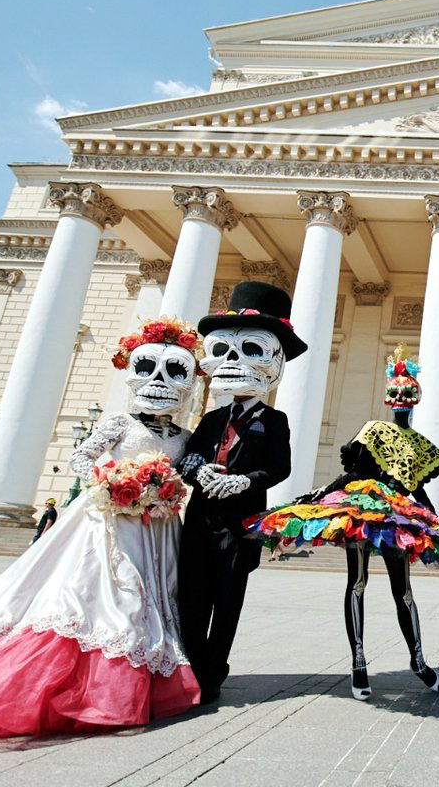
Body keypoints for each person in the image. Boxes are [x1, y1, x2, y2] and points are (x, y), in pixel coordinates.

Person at [0, 317, 206, 742]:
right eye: (148, 368)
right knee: (106, 592)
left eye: (175, 372)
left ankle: (136, 680)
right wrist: (111, 482)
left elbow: (184, 471)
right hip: (108, 520)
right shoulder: (118, 423)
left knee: (149, 595)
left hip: (158, 528)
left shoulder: (185, 435)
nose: (159, 382)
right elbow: (82, 458)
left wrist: (167, 490)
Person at [244, 343, 439, 701]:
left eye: (407, 392)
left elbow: (418, 489)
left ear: (415, 397)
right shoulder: (372, 430)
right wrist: (319, 494)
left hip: (398, 515)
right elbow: (351, 473)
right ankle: (358, 661)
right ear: (388, 395)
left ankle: (418, 662)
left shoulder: (420, 444)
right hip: (363, 509)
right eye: (395, 392)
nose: (400, 397)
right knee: (357, 582)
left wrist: (438, 520)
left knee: (403, 591)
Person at [177, 282, 302, 705]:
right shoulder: (212, 419)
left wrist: (245, 481)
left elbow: (280, 468)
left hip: (240, 524)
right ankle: (189, 667)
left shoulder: (275, 419)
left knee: (227, 602)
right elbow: (187, 458)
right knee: (192, 597)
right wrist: (198, 471)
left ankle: (213, 672)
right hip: (199, 522)